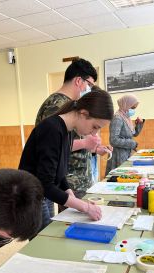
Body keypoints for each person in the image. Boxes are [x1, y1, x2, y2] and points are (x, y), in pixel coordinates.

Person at [19, 89, 114, 231]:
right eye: (95, 127)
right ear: (83, 113)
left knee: (50, 232)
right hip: (31, 196)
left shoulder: (67, 131)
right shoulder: (52, 129)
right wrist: (84, 206)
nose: (93, 133)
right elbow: (45, 184)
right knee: (44, 238)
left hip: (43, 194)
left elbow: (58, 170)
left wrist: (69, 193)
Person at [36, 58, 112, 199]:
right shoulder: (57, 105)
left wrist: (95, 148)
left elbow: (74, 140)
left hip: (76, 181)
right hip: (70, 181)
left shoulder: (72, 105)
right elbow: (50, 145)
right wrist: (85, 143)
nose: (89, 90)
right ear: (78, 81)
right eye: (89, 85)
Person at [105, 94, 145, 175]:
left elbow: (134, 134)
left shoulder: (126, 118)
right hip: (118, 157)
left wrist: (139, 124)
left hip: (127, 154)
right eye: (132, 108)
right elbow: (113, 140)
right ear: (126, 104)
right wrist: (132, 143)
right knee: (118, 180)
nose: (133, 110)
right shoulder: (117, 118)